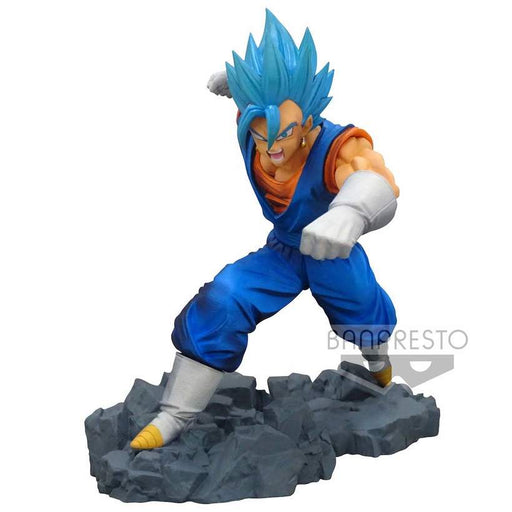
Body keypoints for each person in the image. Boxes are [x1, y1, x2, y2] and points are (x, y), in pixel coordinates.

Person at [130, 9, 399, 450]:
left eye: (284, 134)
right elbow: (264, 109)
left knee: (364, 316)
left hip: (333, 250)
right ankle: (175, 415)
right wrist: (241, 83)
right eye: (260, 135)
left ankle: (379, 366)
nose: (271, 147)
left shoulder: (339, 145)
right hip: (284, 251)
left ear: (307, 119)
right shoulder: (257, 125)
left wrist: (351, 211)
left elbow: (377, 181)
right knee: (224, 297)